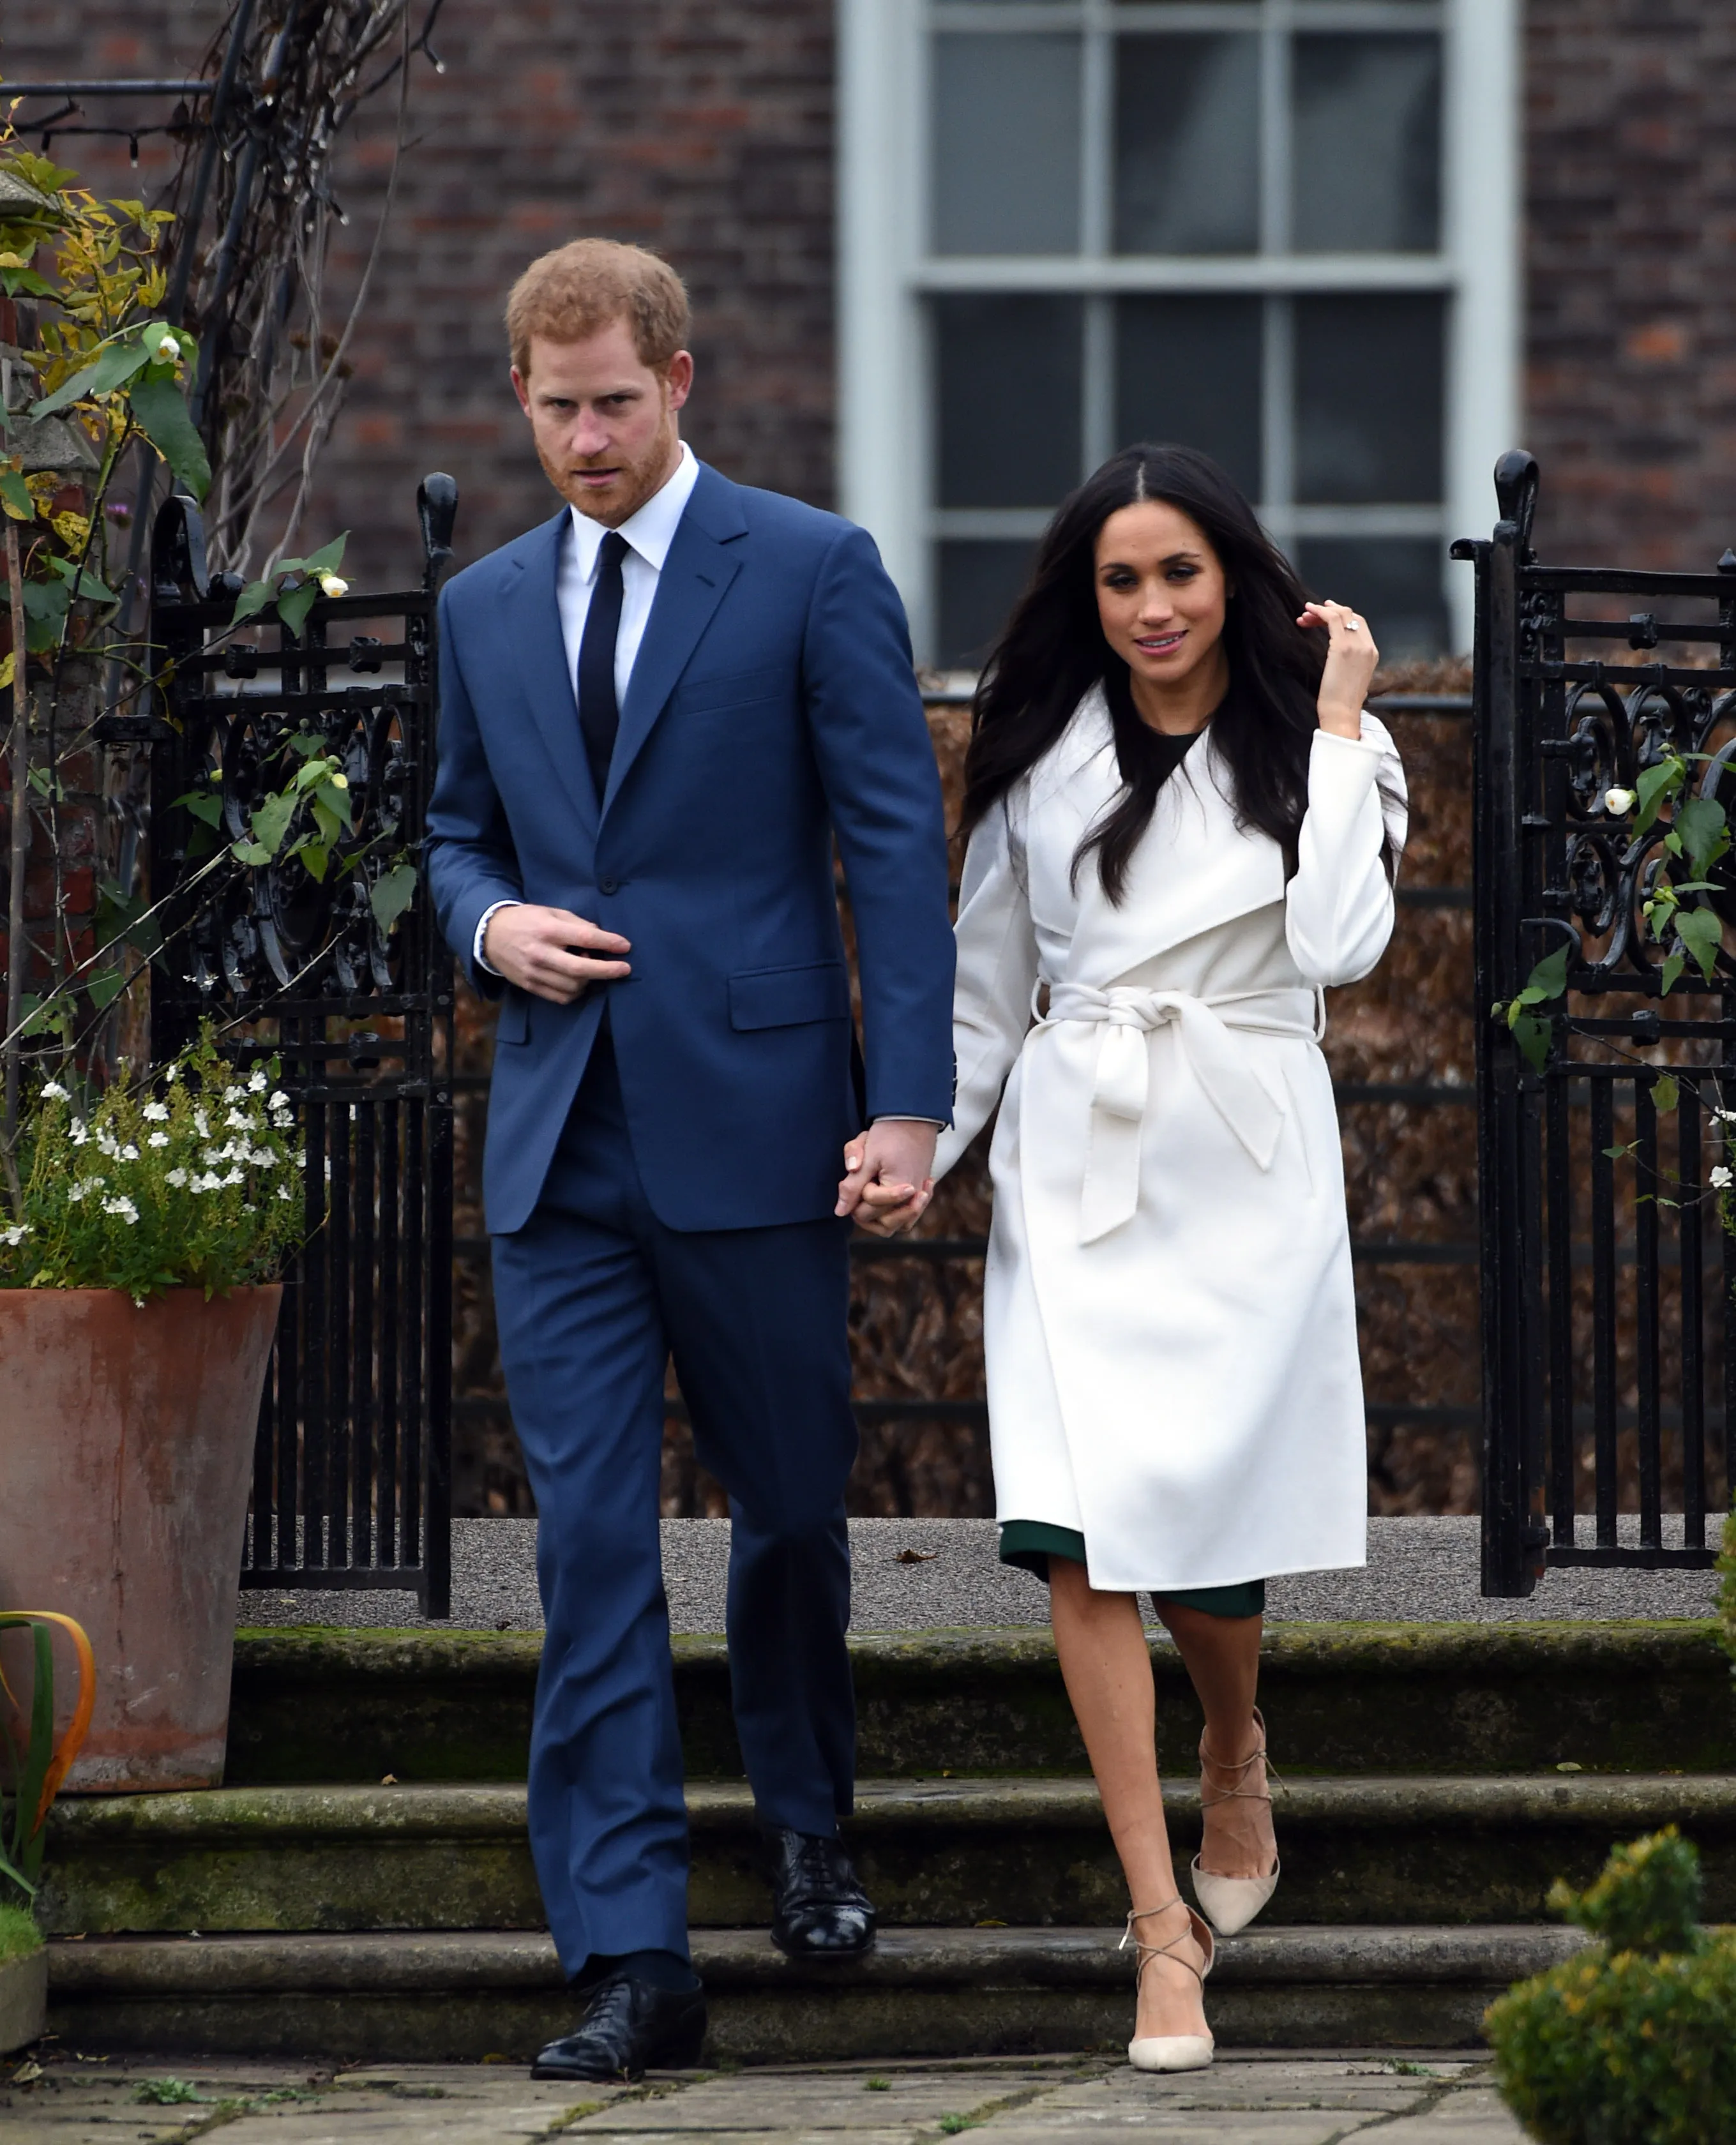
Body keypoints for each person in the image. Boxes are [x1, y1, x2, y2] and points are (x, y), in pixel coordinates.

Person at [426, 239, 955, 2082]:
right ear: (521, 398)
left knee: (791, 1509)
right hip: (557, 1148)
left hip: (758, 1127)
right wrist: (488, 924)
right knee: (587, 1548)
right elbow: (451, 835)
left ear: (677, 381)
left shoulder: (810, 567)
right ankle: (631, 1955)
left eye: (614, 404)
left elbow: (892, 848)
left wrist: (908, 1104)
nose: (586, 439)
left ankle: (807, 1828)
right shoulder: (484, 606)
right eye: (556, 409)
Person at [852, 443, 1405, 2074]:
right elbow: (981, 988)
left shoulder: (1331, 749)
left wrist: (1342, 720)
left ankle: (1233, 1744)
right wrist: (917, 1140)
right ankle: (1162, 1931)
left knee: (1206, 1537)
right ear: (1083, 598)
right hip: (1078, 1162)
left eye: (1179, 572)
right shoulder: (1040, 754)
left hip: (1244, 1159)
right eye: (1120, 579)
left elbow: (1339, 947)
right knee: (1079, 1540)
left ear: (1232, 577)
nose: (1153, 606)